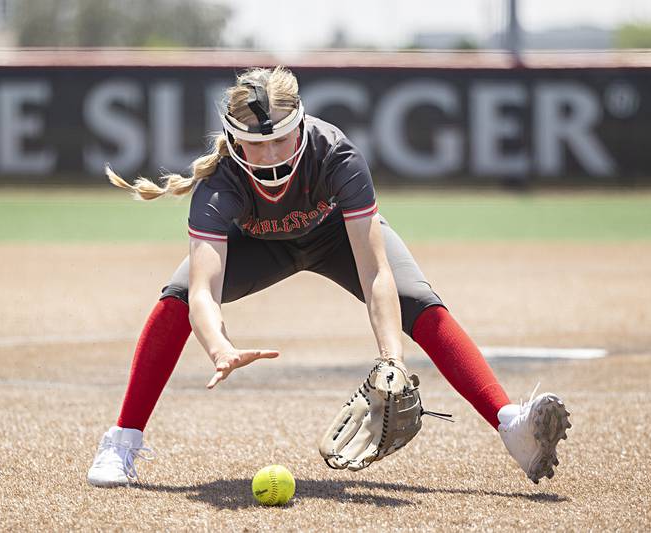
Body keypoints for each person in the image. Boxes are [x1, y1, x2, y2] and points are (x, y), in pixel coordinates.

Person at [87, 66, 571, 488]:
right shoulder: (220, 184)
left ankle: (513, 427)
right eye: (257, 144)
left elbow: (375, 268)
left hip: (335, 236)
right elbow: (202, 293)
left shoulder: (337, 155)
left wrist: (392, 359)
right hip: (256, 245)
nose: (272, 154)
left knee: (419, 302)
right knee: (173, 300)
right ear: (235, 141)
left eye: (281, 138)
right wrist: (219, 347)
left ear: (301, 125)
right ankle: (121, 441)